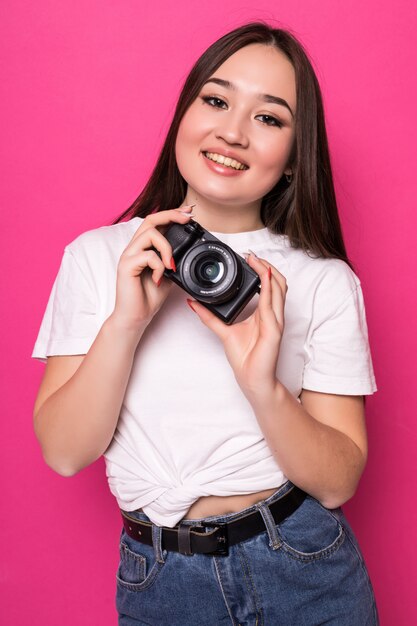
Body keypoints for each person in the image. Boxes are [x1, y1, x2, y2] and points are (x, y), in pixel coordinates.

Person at [32, 21, 379, 625]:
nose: (232, 132)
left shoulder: (323, 280)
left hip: (301, 566)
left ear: (296, 158)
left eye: (268, 118)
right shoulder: (97, 256)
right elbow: (64, 453)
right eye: (216, 101)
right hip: (161, 577)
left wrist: (262, 386)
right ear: (183, 117)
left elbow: (337, 482)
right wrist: (125, 323)